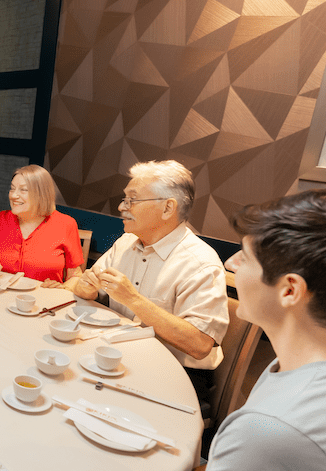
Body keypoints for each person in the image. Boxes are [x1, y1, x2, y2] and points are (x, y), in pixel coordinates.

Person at [136, 189, 326, 471]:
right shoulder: (315, 365)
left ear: (290, 290)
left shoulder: (282, 428)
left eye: (246, 256)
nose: (230, 261)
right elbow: (227, 467)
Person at [73, 160, 228, 405]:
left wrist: (133, 299)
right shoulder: (125, 243)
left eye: (132, 200)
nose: (122, 206)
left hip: (176, 374)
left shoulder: (201, 264)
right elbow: (93, 288)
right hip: (121, 356)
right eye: (125, 199)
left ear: (168, 208)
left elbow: (200, 345)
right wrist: (87, 289)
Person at [0, 165, 84, 289]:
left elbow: (76, 277)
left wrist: (63, 288)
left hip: (44, 302)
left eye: (23, 190)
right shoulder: (2, 219)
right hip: (1, 297)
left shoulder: (66, 224)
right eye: (12, 189)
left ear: (41, 194)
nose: (13, 196)